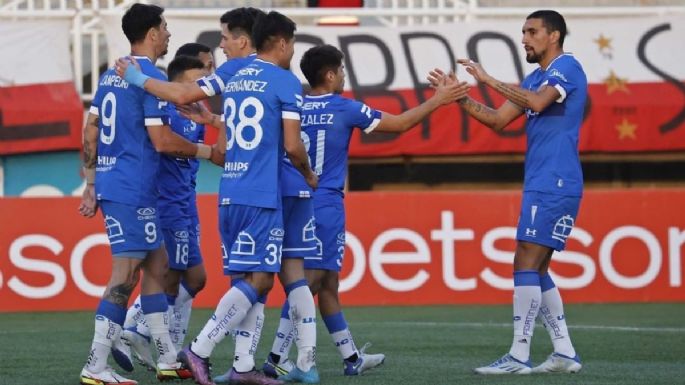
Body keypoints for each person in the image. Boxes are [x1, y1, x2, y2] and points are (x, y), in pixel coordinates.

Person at [259, 44, 470, 378]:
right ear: (330, 75)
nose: (344, 75)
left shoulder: (293, 105)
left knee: (327, 282)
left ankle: (351, 357)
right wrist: (439, 100)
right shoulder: (345, 108)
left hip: (293, 200)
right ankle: (276, 356)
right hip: (325, 202)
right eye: (341, 70)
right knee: (309, 282)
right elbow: (400, 124)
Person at [429, 9, 586, 375]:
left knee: (525, 261)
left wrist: (486, 78)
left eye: (532, 32)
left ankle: (519, 355)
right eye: (523, 32)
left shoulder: (567, 68)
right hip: (543, 180)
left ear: (554, 36)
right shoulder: (535, 77)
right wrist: (459, 98)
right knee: (538, 265)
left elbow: (537, 103)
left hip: (555, 180)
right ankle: (564, 352)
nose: (524, 39)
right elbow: (499, 120)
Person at [175, 11, 318, 385]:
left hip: (229, 191)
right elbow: (291, 144)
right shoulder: (284, 81)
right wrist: (307, 172)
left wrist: (141, 80)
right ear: (283, 43)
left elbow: (224, 138)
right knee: (262, 280)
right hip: (261, 195)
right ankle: (200, 348)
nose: (221, 44)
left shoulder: (233, 75)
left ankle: (242, 368)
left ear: (246, 38)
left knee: (250, 280)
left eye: (225, 37)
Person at [77, 4, 217, 385]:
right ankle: (95, 364)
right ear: (153, 33)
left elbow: (90, 131)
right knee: (124, 275)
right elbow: (160, 139)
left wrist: (91, 183)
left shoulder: (110, 76)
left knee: (158, 266)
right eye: (165, 27)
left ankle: (168, 358)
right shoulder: (148, 77)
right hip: (132, 188)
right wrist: (209, 153)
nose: (169, 33)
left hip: (121, 185)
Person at [115, 48, 214, 372]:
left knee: (195, 279)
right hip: (167, 203)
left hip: (186, 201)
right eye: (203, 73)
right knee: (170, 276)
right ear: (181, 79)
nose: (208, 78)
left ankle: (143, 333)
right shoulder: (165, 111)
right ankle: (147, 338)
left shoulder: (198, 110)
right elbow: (161, 146)